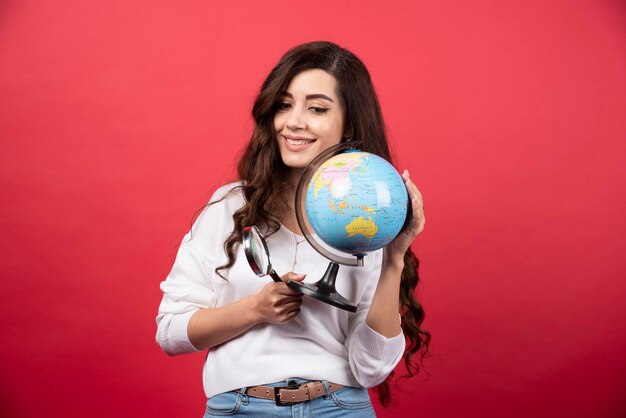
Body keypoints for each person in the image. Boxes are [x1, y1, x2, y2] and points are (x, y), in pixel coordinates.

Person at [156, 41, 430, 417]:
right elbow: (171, 331)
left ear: (349, 123)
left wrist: (394, 259)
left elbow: (371, 368)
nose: (294, 122)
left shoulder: (370, 217)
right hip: (239, 408)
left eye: (316, 108)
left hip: (340, 406)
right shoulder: (230, 206)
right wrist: (255, 308)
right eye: (284, 105)